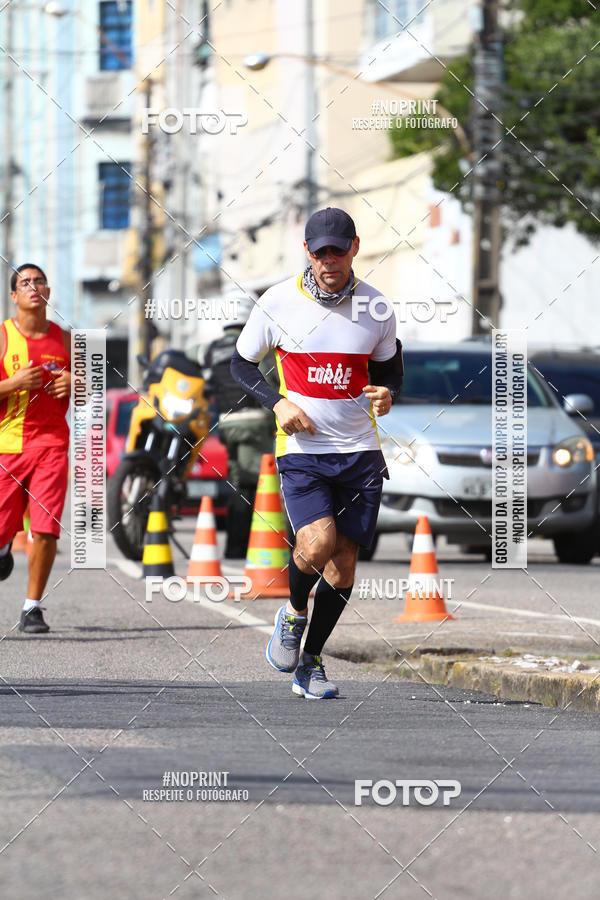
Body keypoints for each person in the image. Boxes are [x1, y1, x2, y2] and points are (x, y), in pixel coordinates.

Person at [231, 207, 403, 698]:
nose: (329, 259)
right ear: (307, 251)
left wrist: (388, 393)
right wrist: (277, 401)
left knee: (344, 565)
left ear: (354, 248)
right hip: (303, 449)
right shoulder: (278, 301)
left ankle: (311, 663)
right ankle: (293, 611)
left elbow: (391, 370)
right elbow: (241, 366)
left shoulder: (376, 308)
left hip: (360, 450)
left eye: (338, 249)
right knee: (317, 545)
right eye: (320, 250)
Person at [0, 263, 71, 633]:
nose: (33, 286)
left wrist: (76, 383)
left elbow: (90, 392)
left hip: (52, 445)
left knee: (45, 528)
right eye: (24, 282)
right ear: (14, 295)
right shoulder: (2, 336)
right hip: (7, 446)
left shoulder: (67, 339)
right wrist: (11, 384)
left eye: (39, 280)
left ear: (47, 291)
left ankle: (32, 607)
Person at [203, 294, 277, 557]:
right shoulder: (255, 344)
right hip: (255, 421)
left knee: (239, 483)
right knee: (266, 484)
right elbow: (271, 382)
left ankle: (236, 546)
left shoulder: (211, 349)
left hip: (226, 424)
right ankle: (269, 549)